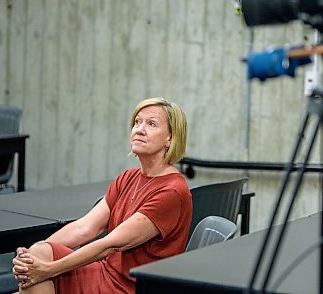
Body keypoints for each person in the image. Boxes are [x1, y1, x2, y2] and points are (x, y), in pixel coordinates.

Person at [12, 97, 192, 293]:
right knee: (40, 253)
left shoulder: (172, 190)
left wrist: (48, 269)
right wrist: (32, 254)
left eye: (151, 124)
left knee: (37, 275)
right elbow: (84, 228)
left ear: (170, 138)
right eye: (137, 122)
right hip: (106, 273)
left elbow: (110, 245)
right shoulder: (128, 178)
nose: (139, 129)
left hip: (131, 287)